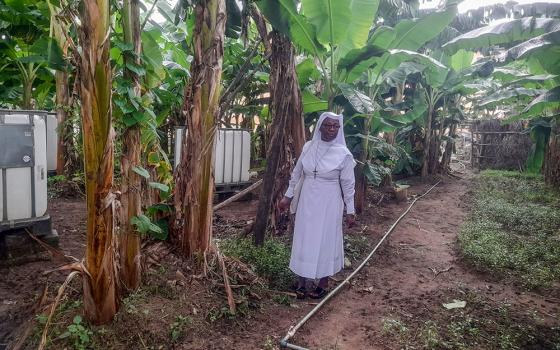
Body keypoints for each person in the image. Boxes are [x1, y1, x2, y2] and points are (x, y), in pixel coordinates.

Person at [278, 112, 356, 299]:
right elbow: (297, 173)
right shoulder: (308, 147)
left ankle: (323, 282)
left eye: (335, 126)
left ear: (339, 128)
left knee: (325, 239)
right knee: (305, 237)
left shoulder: (343, 154)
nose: (331, 129)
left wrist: (350, 210)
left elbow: (348, 184)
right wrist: (287, 196)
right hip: (307, 199)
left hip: (329, 201)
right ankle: (302, 281)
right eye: (328, 125)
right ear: (320, 126)